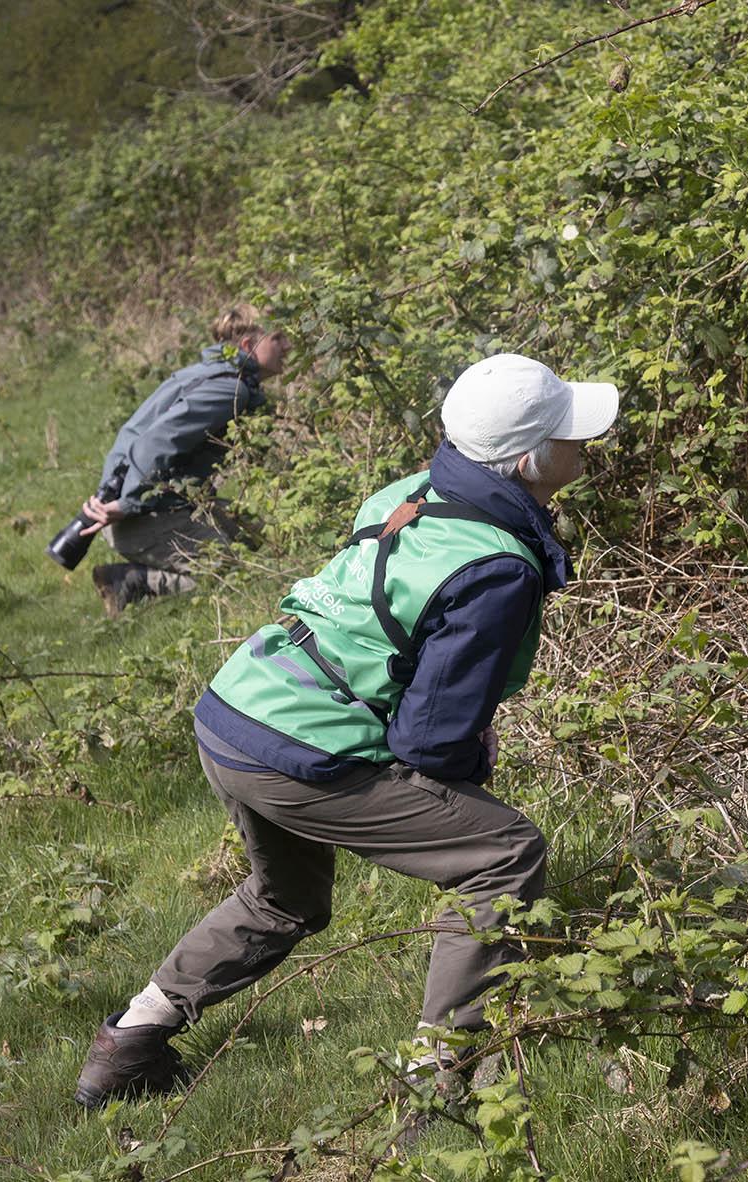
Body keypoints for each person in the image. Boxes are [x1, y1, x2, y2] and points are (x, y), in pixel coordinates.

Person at [73, 352, 620, 1109]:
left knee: (285, 899)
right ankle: (439, 1091)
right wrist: (468, 770)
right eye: (568, 433)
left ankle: (126, 1047)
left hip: (237, 709)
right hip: (297, 750)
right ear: (527, 462)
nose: (583, 443)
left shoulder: (413, 491)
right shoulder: (497, 568)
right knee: (503, 854)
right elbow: (429, 744)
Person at [78, 304, 290, 616]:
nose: (287, 346)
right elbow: (157, 441)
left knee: (262, 539)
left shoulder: (216, 377)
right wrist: (128, 503)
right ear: (247, 345)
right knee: (233, 575)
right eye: (278, 338)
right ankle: (133, 580)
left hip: (156, 504)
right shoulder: (229, 389)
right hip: (138, 515)